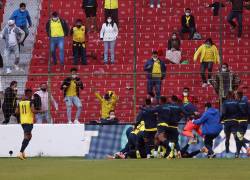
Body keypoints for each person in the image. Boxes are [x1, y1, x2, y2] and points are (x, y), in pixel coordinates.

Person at [16, 89, 40, 160]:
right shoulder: (30, 102)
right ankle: (20, 153)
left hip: (23, 121)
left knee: (28, 136)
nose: (32, 95)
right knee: (28, 137)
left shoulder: (20, 103)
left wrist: (23, 113)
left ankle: (23, 153)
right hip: (29, 121)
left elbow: (16, 112)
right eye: (31, 93)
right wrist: (40, 111)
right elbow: (33, 110)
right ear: (29, 94)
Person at [222, 91, 240, 157]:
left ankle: (227, 152)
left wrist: (221, 119)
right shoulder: (236, 102)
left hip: (227, 122)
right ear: (233, 95)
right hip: (234, 121)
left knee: (227, 138)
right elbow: (240, 111)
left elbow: (223, 113)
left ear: (227, 95)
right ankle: (237, 153)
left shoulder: (225, 103)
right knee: (236, 137)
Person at [235, 91, 250, 157]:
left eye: (236, 95)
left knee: (238, 136)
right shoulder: (246, 103)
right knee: (239, 138)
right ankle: (237, 153)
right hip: (245, 122)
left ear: (238, 95)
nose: (235, 96)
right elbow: (249, 112)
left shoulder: (237, 103)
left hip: (239, 122)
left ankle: (248, 142)